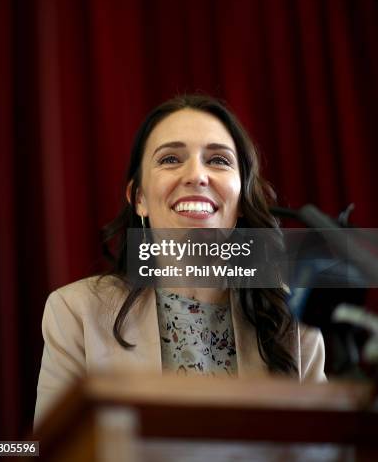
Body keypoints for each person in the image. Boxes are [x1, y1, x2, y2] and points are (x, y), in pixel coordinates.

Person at [34, 94, 326, 427]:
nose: (197, 176)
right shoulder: (74, 312)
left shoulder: (295, 321)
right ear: (139, 199)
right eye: (171, 159)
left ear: (242, 198)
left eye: (218, 160)